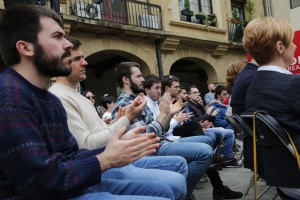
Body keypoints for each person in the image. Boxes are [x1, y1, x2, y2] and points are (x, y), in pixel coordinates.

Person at [0, 5, 175, 200]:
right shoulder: (9, 98)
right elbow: (39, 183)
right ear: (25, 48)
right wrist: (105, 158)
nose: (67, 45)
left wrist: (115, 146)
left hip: (68, 184)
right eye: (57, 37)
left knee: (164, 191)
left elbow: (71, 155)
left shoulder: (48, 99)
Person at [49, 38, 188, 200]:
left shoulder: (79, 97)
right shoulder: (59, 97)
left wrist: (120, 121)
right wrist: (127, 119)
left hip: (119, 158)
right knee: (176, 180)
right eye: (79, 58)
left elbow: (102, 132)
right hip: (106, 165)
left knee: (173, 182)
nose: (85, 62)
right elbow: (87, 147)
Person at [112, 62, 214, 200]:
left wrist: (168, 113)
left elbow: (162, 129)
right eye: (139, 76)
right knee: (204, 152)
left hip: (159, 143)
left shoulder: (136, 100)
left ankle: (185, 192)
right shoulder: (126, 103)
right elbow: (145, 137)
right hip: (150, 150)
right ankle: (185, 194)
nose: (143, 79)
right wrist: (163, 114)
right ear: (126, 79)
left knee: (207, 142)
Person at [145, 75, 243, 200]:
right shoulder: (156, 103)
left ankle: (216, 183)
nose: (180, 90)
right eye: (177, 88)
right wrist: (176, 119)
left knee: (209, 138)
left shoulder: (168, 102)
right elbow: (160, 130)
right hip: (167, 140)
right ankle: (189, 191)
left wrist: (207, 118)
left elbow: (166, 126)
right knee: (207, 144)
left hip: (173, 136)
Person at [244, 17, 300, 199]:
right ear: (280, 47)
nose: (295, 46)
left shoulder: (253, 87)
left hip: (282, 179)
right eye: (291, 41)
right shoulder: (293, 84)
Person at [186, 85, 235, 160]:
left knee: (230, 132)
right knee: (216, 133)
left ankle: (225, 157)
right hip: (197, 130)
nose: (198, 94)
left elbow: (207, 120)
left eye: (198, 92)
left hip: (204, 128)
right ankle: (211, 156)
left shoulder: (198, 105)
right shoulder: (188, 106)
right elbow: (194, 121)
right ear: (189, 95)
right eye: (194, 92)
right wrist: (208, 115)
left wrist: (212, 116)